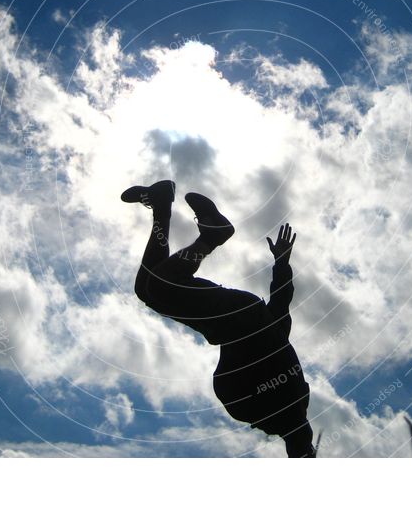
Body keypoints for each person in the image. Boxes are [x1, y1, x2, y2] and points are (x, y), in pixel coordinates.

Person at [122, 179, 315, 457]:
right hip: (236, 320)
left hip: (237, 318)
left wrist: (282, 265)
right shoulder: (265, 406)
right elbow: (228, 379)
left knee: (149, 289)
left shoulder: (288, 396)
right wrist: (281, 267)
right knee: (161, 286)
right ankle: (213, 234)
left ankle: (161, 203)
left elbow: (280, 317)